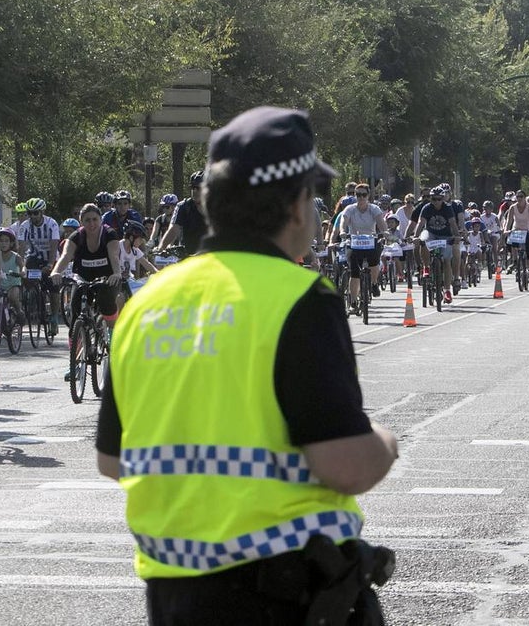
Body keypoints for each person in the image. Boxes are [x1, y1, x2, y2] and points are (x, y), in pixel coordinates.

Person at [96, 106, 398, 625]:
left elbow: (113, 459)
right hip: (287, 593)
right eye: (316, 196)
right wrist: (384, 440)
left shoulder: (150, 301)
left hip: (173, 595)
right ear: (298, 206)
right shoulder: (300, 298)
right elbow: (346, 466)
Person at [49, 202, 122, 381]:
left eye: (95, 219)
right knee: (75, 318)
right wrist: (56, 271)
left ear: (100, 219)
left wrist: (117, 274)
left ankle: (113, 341)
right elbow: (66, 256)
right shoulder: (76, 237)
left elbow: (113, 256)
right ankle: (74, 363)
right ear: (81, 221)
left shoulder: (109, 234)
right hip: (82, 279)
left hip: (106, 278)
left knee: (107, 304)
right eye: (87, 220)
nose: (91, 224)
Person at [337, 182, 384, 310]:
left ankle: (374, 283)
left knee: (374, 260)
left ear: (368, 196)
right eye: (358, 195)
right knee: (354, 271)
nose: (361, 198)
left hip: (370, 241)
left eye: (363, 195)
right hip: (354, 242)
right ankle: (353, 301)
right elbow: (343, 222)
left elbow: (381, 223)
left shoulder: (374, 209)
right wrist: (342, 231)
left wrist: (384, 232)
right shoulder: (350, 209)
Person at [17, 197, 61, 333]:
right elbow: (22, 248)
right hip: (34, 256)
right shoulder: (25, 225)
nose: (32, 216)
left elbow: (54, 245)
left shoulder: (51, 224)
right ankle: (32, 298)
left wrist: (50, 264)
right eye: (29, 213)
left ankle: (54, 317)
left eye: (35, 213)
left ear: (42, 212)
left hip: (50, 256)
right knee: (25, 274)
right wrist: (22, 267)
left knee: (53, 286)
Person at [158, 171, 207, 256]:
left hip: (213, 258)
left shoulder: (217, 207)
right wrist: (161, 248)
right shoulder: (183, 206)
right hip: (189, 257)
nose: (194, 191)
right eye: (192, 187)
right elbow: (173, 230)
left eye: (199, 188)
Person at [0, 227, 25, 322]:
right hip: (0, 285)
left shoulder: (15, 256)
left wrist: (22, 272)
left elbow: (23, 267)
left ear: (11, 243)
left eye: (6, 241)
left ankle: (19, 311)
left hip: (13, 284)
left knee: (12, 297)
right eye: (0, 241)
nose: (3, 244)